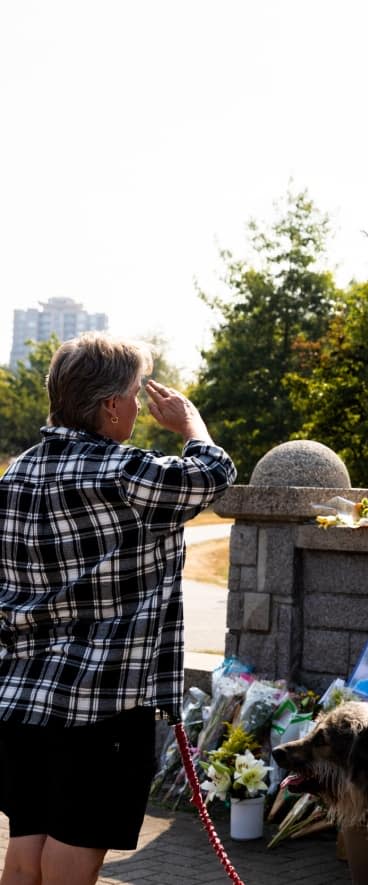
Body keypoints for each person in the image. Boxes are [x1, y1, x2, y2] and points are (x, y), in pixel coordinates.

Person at [0, 332, 236, 885]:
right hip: (102, 703)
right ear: (109, 405)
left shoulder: (16, 474)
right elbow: (212, 474)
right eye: (134, 393)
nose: (138, 405)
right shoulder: (125, 473)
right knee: (73, 851)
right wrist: (191, 423)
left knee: (26, 845)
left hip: (20, 699)